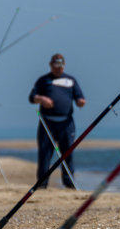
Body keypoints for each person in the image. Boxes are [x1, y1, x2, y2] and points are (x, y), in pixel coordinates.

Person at [28, 53, 86, 188]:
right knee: (44, 154)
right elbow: (32, 97)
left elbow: (79, 97)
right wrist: (41, 99)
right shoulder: (43, 80)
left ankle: (69, 183)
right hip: (47, 123)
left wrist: (81, 102)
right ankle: (42, 185)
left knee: (68, 154)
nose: (58, 69)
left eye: (60, 66)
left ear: (64, 66)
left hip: (66, 123)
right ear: (50, 65)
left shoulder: (71, 80)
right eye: (55, 66)